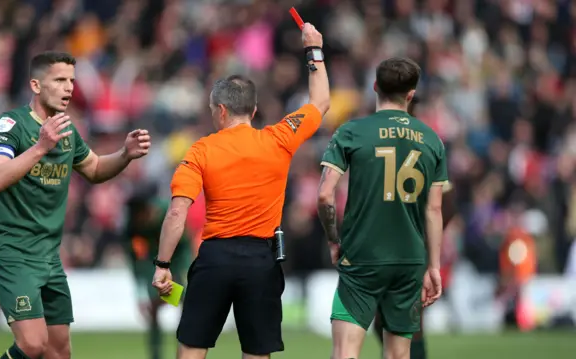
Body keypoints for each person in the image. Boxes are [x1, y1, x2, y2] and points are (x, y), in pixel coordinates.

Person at [151, 23, 329, 359]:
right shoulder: (279, 138)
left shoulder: (200, 150)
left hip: (215, 257)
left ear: (220, 110)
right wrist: (313, 49)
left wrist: (163, 264)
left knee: (191, 348)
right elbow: (321, 102)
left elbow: (177, 211)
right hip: (261, 260)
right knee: (257, 352)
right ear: (254, 109)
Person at [0, 51, 151, 359]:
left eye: (72, 81)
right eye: (59, 80)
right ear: (36, 85)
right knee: (33, 343)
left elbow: (95, 169)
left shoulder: (68, 131)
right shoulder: (11, 125)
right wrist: (40, 147)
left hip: (48, 256)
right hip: (11, 251)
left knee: (59, 351)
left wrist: (125, 154)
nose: (69, 88)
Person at [317, 57, 448, 359]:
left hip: (362, 256)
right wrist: (433, 266)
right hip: (409, 260)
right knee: (399, 355)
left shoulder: (351, 132)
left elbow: (325, 195)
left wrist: (333, 239)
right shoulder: (432, 140)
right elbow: (434, 209)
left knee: (346, 352)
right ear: (411, 94)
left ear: (375, 87)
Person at [371, 97, 457, 359]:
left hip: (402, 246)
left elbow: (447, 203)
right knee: (389, 321)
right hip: (397, 244)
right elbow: (448, 204)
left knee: (407, 322)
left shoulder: (392, 142)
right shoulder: (427, 143)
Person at [124, 186, 192, 359]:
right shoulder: (132, 227)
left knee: (188, 307)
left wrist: (184, 272)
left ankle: (186, 350)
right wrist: (141, 292)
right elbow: (136, 260)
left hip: (175, 266)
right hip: (154, 269)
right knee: (153, 309)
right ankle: (156, 355)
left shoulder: (167, 215)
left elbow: (184, 247)